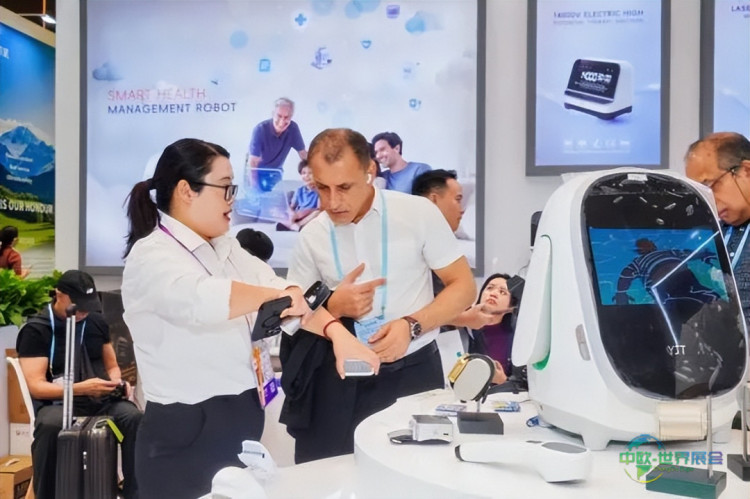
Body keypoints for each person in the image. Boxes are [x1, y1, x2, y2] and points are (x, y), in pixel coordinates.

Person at [120, 138, 377, 498]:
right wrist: (277, 296)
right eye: (225, 188)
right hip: (186, 434)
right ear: (186, 190)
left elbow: (281, 291)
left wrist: (337, 333)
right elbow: (202, 299)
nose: (233, 200)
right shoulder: (151, 256)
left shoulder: (227, 248)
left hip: (239, 423)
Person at [285, 128, 475, 463]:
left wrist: (412, 325)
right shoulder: (312, 234)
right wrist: (333, 304)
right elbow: (295, 311)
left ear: (370, 171)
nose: (332, 202)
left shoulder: (417, 213)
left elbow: (463, 286)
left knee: (413, 475)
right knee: (328, 475)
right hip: (337, 378)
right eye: (322, 188)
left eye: (344, 187)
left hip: (411, 371)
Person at [16, 270, 142, 499]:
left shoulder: (96, 322)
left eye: (88, 306)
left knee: (133, 418)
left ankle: (135, 493)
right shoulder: (37, 329)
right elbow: (37, 386)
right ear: (59, 295)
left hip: (99, 400)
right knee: (51, 426)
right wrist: (80, 388)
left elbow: (112, 366)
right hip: (57, 402)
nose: (84, 312)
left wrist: (117, 383)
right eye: (79, 305)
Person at [684, 132, 750, 324]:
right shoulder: (709, 235)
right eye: (699, 193)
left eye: (710, 186)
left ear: (746, 171)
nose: (707, 201)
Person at [245, 97, 307, 189]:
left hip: (275, 172)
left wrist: (314, 175)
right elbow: (253, 163)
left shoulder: (293, 129)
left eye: (286, 117)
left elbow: (303, 154)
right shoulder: (260, 129)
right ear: (273, 114)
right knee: (256, 194)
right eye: (279, 116)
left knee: (276, 196)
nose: (282, 121)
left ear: (291, 117)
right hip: (256, 172)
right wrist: (255, 189)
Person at [277, 159, 320, 231]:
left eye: (310, 173)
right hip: (297, 215)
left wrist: (303, 213)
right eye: (303, 173)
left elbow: (318, 208)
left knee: (318, 213)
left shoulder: (319, 191)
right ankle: (293, 225)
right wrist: (292, 213)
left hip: (309, 215)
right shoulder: (299, 190)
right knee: (281, 212)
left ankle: (297, 225)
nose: (306, 175)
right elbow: (291, 206)